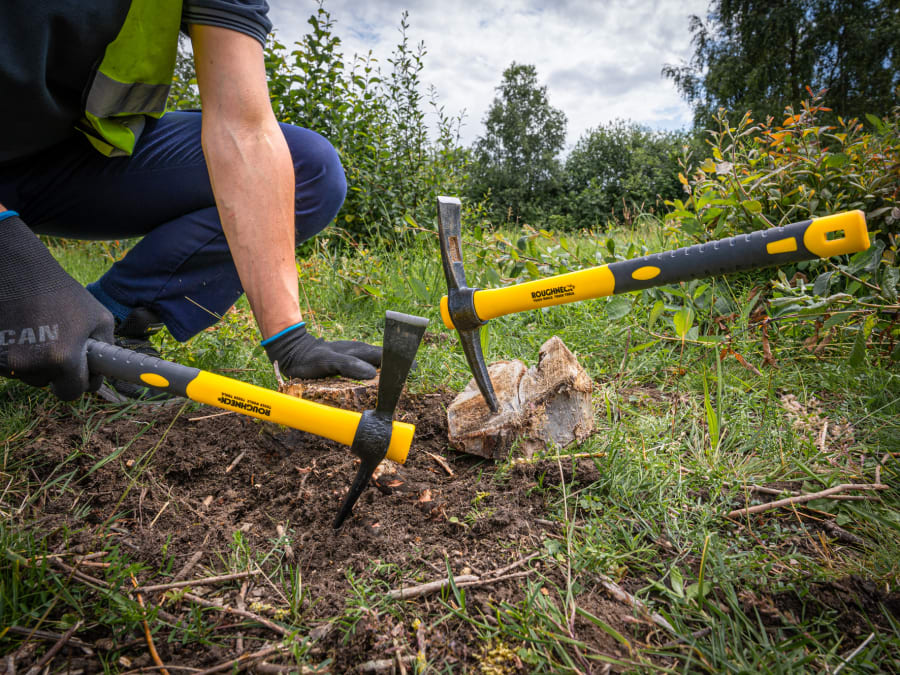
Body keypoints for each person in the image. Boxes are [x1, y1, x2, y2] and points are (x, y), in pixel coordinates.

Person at [0, 1, 382, 401]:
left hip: (66, 163)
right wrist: (12, 262)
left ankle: (117, 317)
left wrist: (289, 340)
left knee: (307, 170)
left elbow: (245, 131)